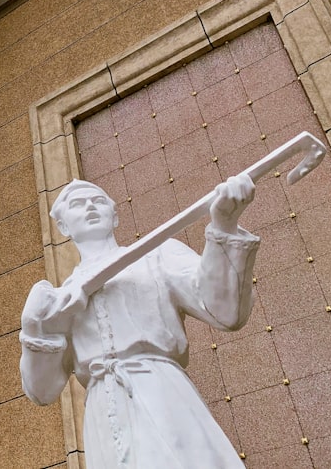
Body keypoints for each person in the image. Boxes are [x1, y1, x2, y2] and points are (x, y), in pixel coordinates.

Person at [20, 175, 258, 469]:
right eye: (78, 204)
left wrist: (224, 226)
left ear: (115, 216)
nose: (90, 207)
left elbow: (224, 312)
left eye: (98, 201)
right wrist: (35, 328)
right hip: (102, 411)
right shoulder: (60, 299)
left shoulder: (158, 255)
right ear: (64, 227)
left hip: (160, 389)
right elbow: (42, 391)